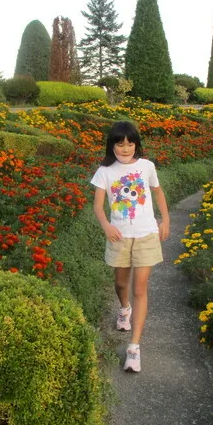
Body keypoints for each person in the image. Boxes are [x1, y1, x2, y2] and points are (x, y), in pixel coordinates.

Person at [90, 121, 170, 372]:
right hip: (119, 237)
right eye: (120, 144)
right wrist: (106, 225)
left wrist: (165, 219)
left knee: (140, 287)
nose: (125, 149)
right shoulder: (105, 171)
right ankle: (124, 309)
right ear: (112, 145)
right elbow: (97, 206)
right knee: (121, 284)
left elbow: (158, 191)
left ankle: (134, 348)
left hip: (147, 235)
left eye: (130, 144)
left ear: (136, 145)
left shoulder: (146, 166)